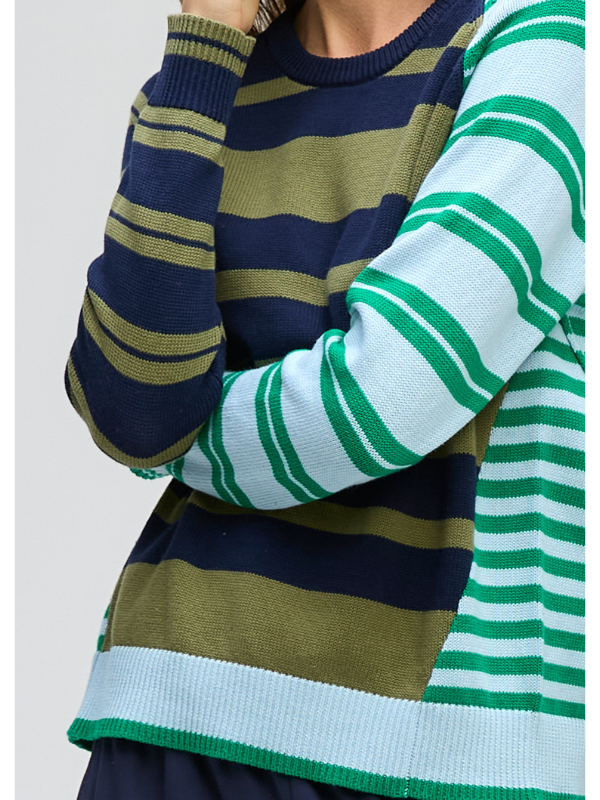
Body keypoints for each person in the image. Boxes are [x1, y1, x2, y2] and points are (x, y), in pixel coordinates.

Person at [66, 0, 585, 797]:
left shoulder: (547, 45)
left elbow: (384, 398)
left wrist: (184, 425)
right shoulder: (200, 83)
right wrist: (202, 54)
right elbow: (130, 411)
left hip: (425, 745)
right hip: (163, 709)